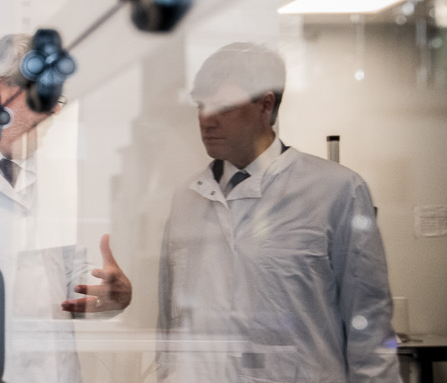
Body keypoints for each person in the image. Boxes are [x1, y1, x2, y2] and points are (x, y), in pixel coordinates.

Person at [155, 42, 399, 382]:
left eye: (222, 106)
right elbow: (171, 323)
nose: (205, 120)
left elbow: (369, 324)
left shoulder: (334, 191)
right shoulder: (186, 198)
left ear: (265, 105)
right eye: (200, 105)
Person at [0, 33, 133, 383]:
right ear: (3, 93)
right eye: (49, 95)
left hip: (53, 371)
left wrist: (109, 294)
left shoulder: (53, 172)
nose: (55, 108)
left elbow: (64, 277)